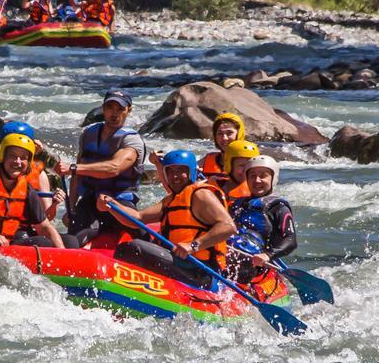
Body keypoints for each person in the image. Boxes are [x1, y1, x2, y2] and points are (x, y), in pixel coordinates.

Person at [98, 150, 235, 289]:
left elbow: (228, 226)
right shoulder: (171, 199)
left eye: (181, 170)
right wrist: (112, 206)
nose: (175, 176)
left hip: (199, 269)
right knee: (128, 248)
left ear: (191, 172)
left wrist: (193, 245)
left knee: (134, 248)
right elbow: (137, 218)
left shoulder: (200, 194)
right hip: (180, 262)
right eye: (170, 171)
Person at [54, 89, 146, 246]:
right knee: (74, 238)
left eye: (120, 109)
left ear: (128, 110)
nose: (114, 113)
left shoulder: (132, 140)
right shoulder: (88, 133)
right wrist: (71, 209)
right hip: (90, 200)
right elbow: (77, 177)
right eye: (110, 107)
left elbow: (114, 168)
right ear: (103, 109)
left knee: (141, 239)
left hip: (118, 201)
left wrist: (74, 168)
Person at [226, 155, 296, 295]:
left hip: (255, 262)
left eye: (263, 176)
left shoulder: (278, 207)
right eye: (252, 176)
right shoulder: (236, 204)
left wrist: (267, 255)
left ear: (273, 178)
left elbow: (290, 240)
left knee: (242, 261)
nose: (257, 180)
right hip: (229, 251)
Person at [0, 120, 65, 221]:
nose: (17, 161)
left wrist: (55, 204)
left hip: (27, 229)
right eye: (12, 152)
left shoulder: (39, 174)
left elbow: (47, 217)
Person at [200, 112, 245, 185]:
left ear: (239, 134)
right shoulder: (205, 161)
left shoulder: (250, 162)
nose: (224, 138)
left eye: (229, 133)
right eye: (220, 133)